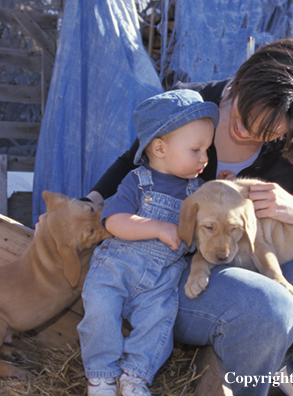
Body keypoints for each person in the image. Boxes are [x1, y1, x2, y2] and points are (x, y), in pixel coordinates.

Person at [85, 39, 293, 396]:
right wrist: (85, 206)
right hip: (174, 269)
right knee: (267, 306)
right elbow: (127, 167)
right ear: (242, 80)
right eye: (243, 114)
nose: (248, 133)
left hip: (264, 258)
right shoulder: (187, 106)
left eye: (269, 133)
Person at [77, 89, 219, 396]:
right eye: (196, 149)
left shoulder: (199, 192)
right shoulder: (137, 181)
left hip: (161, 280)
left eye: (207, 149)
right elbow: (114, 221)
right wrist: (157, 227)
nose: (205, 159)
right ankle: (101, 376)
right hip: (116, 269)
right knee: (100, 313)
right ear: (159, 148)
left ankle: (135, 377)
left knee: (159, 323)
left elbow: (209, 227)